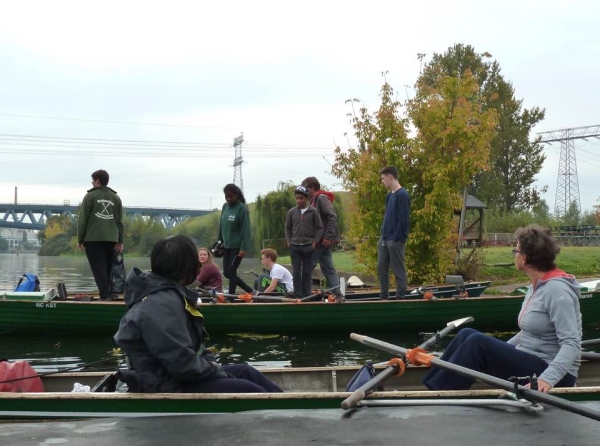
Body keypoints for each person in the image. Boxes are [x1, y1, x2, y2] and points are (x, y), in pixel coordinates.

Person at [114, 235, 283, 393]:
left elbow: (193, 351)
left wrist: (211, 363)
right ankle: (288, 413)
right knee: (247, 389)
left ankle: (287, 402)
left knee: (246, 371)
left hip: (176, 375)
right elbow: (181, 364)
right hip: (164, 383)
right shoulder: (160, 304)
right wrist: (216, 370)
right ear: (184, 266)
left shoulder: (169, 294)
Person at [423, 224, 582, 393]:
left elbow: (571, 344)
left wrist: (547, 379)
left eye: (516, 251)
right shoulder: (536, 285)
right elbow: (528, 332)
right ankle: (429, 390)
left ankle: (441, 396)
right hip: (531, 359)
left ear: (524, 258)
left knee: (477, 344)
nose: (515, 254)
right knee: (466, 334)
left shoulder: (556, 291)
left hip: (553, 375)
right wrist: (500, 351)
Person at [77, 169, 124, 301]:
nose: (92, 182)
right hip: (112, 239)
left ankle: (104, 296)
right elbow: (120, 222)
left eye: (93, 180)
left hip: (94, 238)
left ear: (97, 180)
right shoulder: (116, 198)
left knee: (99, 269)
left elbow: (83, 220)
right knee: (109, 267)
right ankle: (108, 293)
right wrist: (120, 241)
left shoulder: (90, 197)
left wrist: (80, 239)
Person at [301, 177, 340, 291]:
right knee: (327, 267)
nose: (305, 191)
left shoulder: (321, 198)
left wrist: (328, 237)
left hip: (321, 240)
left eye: (306, 188)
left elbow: (332, 216)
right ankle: (337, 292)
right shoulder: (314, 200)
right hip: (320, 240)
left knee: (308, 266)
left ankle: (303, 293)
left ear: (312, 187)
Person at [377, 166, 410, 300]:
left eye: (383, 178)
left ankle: (400, 297)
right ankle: (383, 297)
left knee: (398, 270)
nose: (382, 181)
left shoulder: (403, 195)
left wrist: (397, 239)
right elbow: (387, 216)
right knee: (381, 268)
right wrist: (382, 236)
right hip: (384, 238)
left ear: (390, 177)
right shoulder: (389, 196)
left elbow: (404, 220)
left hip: (395, 240)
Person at [285, 185, 323, 297]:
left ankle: (306, 295)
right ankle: (298, 294)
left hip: (308, 246)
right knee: (296, 273)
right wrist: (289, 242)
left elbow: (319, 228)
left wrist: (314, 242)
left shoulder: (313, 212)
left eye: (301, 198)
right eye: (297, 198)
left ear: (306, 198)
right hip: (295, 246)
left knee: (307, 273)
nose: (299, 200)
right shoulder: (291, 212)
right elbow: (288, 228)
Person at [218, 184, 254, 295]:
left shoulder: (242, 209)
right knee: (226, 273)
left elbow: (246, 231)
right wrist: (219, 242)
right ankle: (250, 291)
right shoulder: (225, 207)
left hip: (237, 247)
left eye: (231, 197)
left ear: (236, 195)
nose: (228, 199)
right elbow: (221, 226)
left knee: (232, 270)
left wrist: (244, 248)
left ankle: (231, 296)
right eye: (226, 196)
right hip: (227, 246)